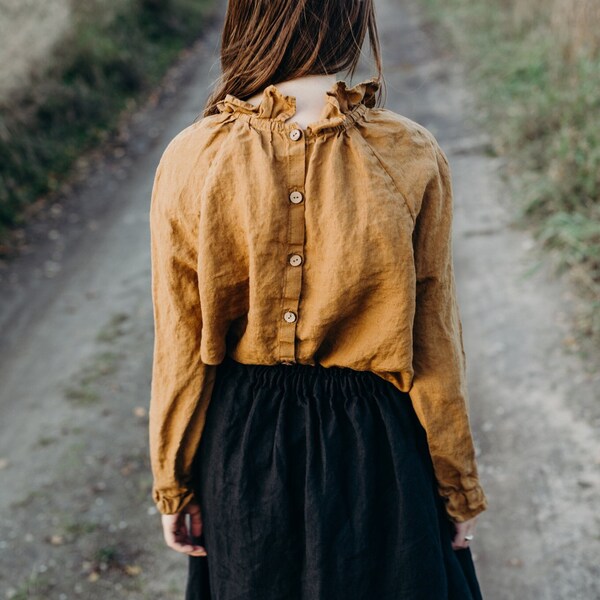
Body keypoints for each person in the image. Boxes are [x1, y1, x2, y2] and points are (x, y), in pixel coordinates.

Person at [148, 0, 488, 598]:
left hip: (243, 453)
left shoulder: (191, 157)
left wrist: (173, 482)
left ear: (246, 19)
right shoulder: (409, 152)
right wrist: (456, 487)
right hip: (377, 450)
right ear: (353, 18)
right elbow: (434, 347)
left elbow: (179, 347)